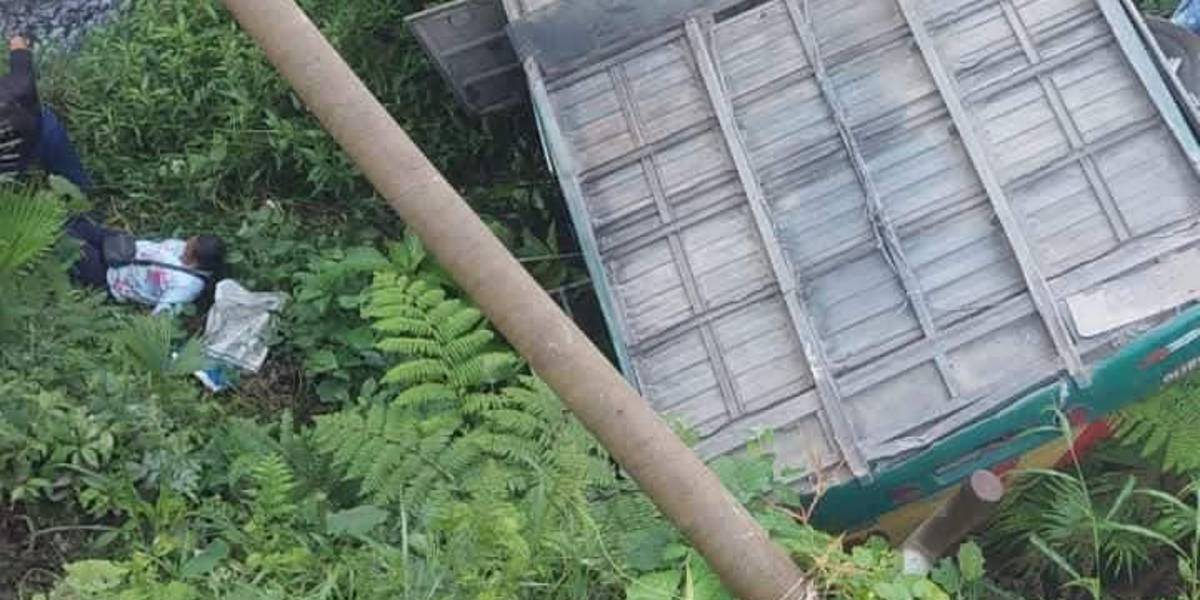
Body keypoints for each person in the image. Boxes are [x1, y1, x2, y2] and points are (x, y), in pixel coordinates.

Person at [65, 216, 228, 316]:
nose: (185, 244)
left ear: (194, 260)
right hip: (121, 249)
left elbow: (162, 315)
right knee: (77, 225)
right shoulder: (182, 249)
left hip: (111, 277)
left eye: (189, 247)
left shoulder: (186, 287)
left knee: (70, 242)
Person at [0, 34, 93, 191]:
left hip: (30, 141)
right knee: (74, 183)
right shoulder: (18, 86)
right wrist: (18, 41)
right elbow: (19, 49)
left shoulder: (18, 87)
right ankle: (83, 202)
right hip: (42, 132)